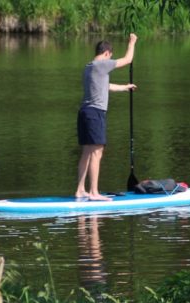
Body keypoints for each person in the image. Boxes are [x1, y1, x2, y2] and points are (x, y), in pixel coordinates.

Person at [75, 33, 138, 201]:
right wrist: (132, 42)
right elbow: (127, 59)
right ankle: (94, 193)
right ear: (107, 53)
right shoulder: (103, 64)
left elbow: (105, 85)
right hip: (95, 113)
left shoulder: (89, 67)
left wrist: (125, 87)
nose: (111, 59)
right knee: (97, 152)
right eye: (111, 56)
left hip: (84, 113)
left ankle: (80, 190)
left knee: (87, 152)